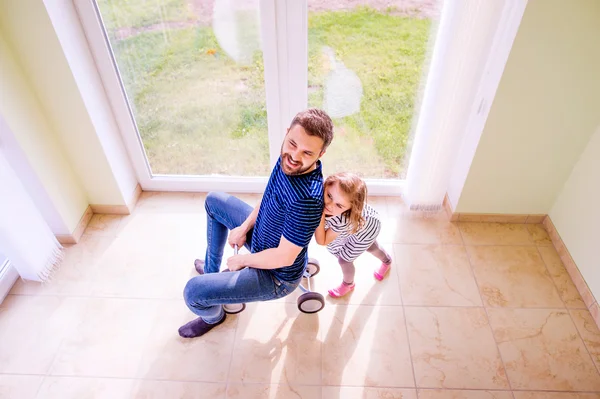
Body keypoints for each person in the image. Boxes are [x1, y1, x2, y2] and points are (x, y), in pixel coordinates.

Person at [178, 108, 334, 338]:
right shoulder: (287, 162)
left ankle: (213, 316)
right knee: (214, 201)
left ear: (321, 153)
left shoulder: (308, 200)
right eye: (292, 144)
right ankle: (211, 274)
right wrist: (244, 227)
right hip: (261, 235)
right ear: (287, 132)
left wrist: (242, 260)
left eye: (307, 153)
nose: (295, 156)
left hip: (275, 275)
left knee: (192, 293)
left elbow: (284, 257)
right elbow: (270, 194)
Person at [314, 172, 392, 298]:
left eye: (339, 205)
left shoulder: (342, 219)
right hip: (362, 223)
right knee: (371, 246)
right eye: (329, 195)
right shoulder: (321, 193)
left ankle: (348, 284)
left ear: (350, 208)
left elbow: (322, 241)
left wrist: (321, 216)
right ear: (325, 185)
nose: (329, 205)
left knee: (344, 259)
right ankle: (387, 260)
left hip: (368, 227)